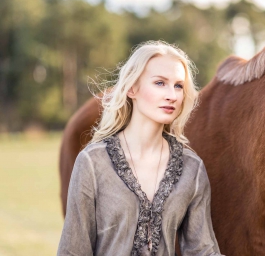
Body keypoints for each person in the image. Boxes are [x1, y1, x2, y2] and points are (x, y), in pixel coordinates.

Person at [58, 41, 222, 256]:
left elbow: (202, 250)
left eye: (178, 86)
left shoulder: (192, 168)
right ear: (132, 88)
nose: (172, 95)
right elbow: (73, 250)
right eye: (160, 83)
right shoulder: (92, 162)